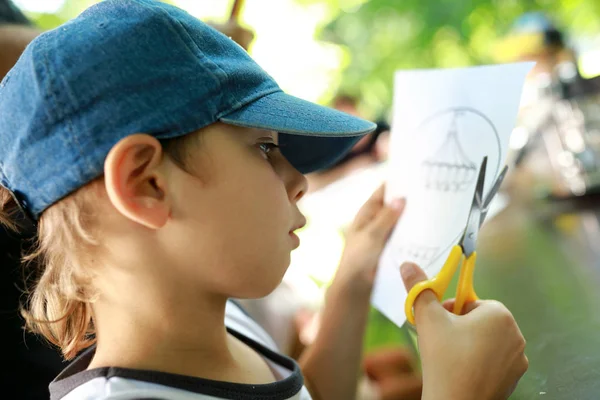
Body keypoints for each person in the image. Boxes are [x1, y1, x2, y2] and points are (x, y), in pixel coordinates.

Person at [0, 1, 527, 400]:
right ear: (146, 184)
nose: (298, 180)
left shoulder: (224, 323)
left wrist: (350, 282)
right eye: (264, 148)